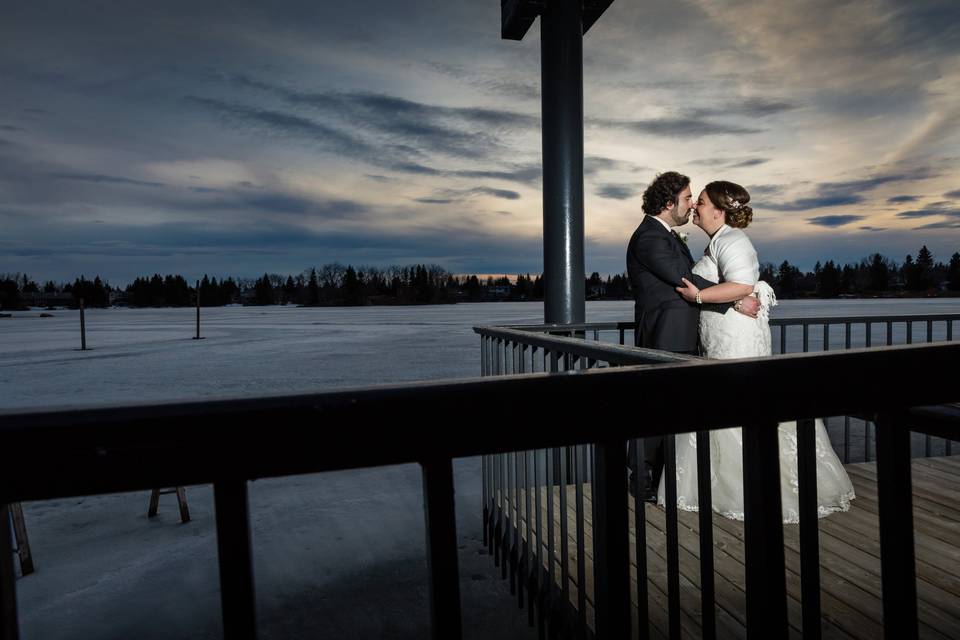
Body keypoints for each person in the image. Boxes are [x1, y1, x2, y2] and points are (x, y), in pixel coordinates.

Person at [667, 180, 855, 522]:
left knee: (736, 402)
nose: (695, 207)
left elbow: (741, 285)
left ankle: (756, 486)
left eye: (703, 202)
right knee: (724, 404)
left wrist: (697, 297)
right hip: (719, 336)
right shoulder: (718, 241)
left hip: (736, 341)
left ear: (719, 211)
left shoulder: (734, 240)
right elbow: (737, 291)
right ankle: (726, 484)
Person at [625, 171, 759, 502]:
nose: (691, 205)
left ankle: (661, 476)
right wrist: (736, 296)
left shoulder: (665, 235)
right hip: (665, 334)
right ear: (669, 202)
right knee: (655, 405)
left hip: (681, 332)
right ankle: (640, 478)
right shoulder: (649, 238)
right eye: (687, 198)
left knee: (672, 405)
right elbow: (683, 278)